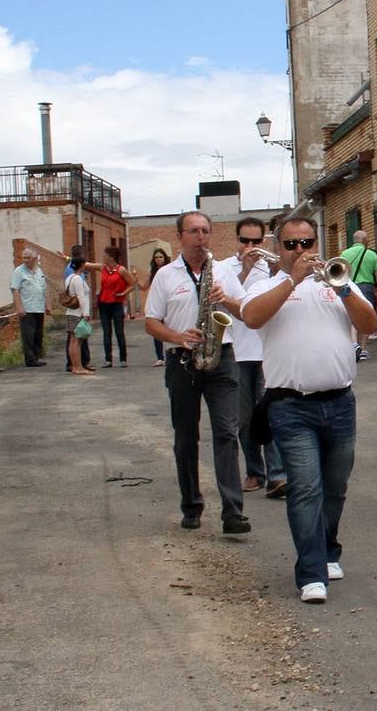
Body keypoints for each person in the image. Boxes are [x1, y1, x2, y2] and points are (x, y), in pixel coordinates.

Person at [241, 215, 377, 604]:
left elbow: (370, 321)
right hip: (290, 406)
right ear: (279, 248)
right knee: (305, 489)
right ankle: (311, 571)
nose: (300, 252)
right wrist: (293, 280)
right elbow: (251, 318)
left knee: (335, 487)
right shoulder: (268, 285)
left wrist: (344, 288)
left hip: (339, 402)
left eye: (306, 244)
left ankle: (328, 549)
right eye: (291, 245)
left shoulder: (337, 282)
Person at [144, 211, 250, 536]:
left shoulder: (223, 272)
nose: (201, 237)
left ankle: (233, 512)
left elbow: (246, 312)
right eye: (194, 231)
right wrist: (177, 338)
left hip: (222, 357)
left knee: (227, 434)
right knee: (185, 437)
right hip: (181, 361)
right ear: (180, 237)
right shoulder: (165, 275)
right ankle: (191, 505)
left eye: (205, 231)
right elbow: (150, 321)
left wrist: (226, 299)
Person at [220, 218, 286, 499]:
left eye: (256, 241)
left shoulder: (274, 267)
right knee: (244, 418)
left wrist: (276, 272)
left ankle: (278, 475)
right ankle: (254, 472)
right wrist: (245, 271)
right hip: (237, 350)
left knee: (270, 413)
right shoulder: (224, 269)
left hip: (267, 351)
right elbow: (233, 303)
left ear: (264, 241)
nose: (250, 247)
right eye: (244, 241)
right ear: (236, 240)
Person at [339, 229, 377, 361]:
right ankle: (363, 349)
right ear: (365, 240)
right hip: (366, 286)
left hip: (348, 286)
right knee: (365, 314)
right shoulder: (371, 254)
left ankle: (354, 343)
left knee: (352, 315)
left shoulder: (344, 254)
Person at [97, 246, 137, 368]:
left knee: (119, 332)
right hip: (103, 303)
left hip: (116, 303)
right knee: (106, 332)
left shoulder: (121, 270)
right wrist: (68, 258)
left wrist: (123, 293)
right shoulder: (102, 268)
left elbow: (132, 284)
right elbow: (87, 264)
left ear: (111, 257)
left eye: (105, 256)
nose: (103, 257)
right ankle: (108, 359)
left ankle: (123, 359)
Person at [10, 247, 49, 367]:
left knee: (38, 333)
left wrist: (47, 305)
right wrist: (19, 307)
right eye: (24, 258)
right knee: (28, 334)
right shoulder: (19, 271)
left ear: (35, 259)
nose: (26, 260)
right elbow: (15, 290)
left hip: (39, 307)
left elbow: (43, 289)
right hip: (27, 308)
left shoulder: (39, 271)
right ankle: (30, 359)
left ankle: (36, 356)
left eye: (28, 258)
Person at [64, 257, 94, 376]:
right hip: (78, 313)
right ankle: (78, 367)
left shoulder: (69, 278)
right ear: (82, 265)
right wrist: (85, 313)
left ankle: (75, 365)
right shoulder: (77, 279)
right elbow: (81, 296)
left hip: (71, 312)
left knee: (73, 340)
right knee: (77, 341)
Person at [142, 249, 172, 366]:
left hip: (169, 301)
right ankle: (160, 357)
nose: (158, 259)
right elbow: (144, 286)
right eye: (156, 257)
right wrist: (135, 281)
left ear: (165, 258)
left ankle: (171, 352)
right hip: (157, 301)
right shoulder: (153, 272)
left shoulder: (170, 270)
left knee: (170, 327)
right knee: (157, 329)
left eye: (160, 257)